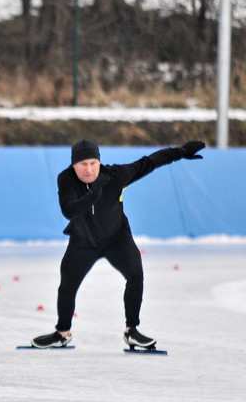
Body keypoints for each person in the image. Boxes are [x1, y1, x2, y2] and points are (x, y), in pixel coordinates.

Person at [31, 139, 205, 349]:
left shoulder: (115, 176)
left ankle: (131, 330)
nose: (89, 170)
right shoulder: (66, 179)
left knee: (135, 273)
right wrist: (93, 195)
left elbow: (149, 163)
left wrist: (180, 152)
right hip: (83, 241)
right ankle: (62, 333)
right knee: (67, 284)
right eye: (83, 164)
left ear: (99, 161)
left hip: (116, 238)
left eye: (93, 163)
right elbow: (69, 211)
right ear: (73, 164)